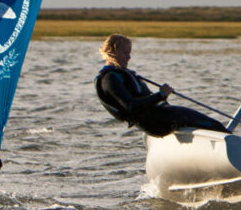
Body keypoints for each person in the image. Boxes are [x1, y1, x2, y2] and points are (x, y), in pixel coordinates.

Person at [95, 35, 229, 137]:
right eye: (125, 53)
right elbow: (130, 107)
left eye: (129, 53)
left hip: (157, 118)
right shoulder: (109, 79)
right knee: (214, 125)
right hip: (156, 121)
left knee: (208, 124)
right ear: (113, 52)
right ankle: (232, 144)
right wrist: (161, 95)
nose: (129, 57)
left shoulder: (119, 74)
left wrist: (160, 97)